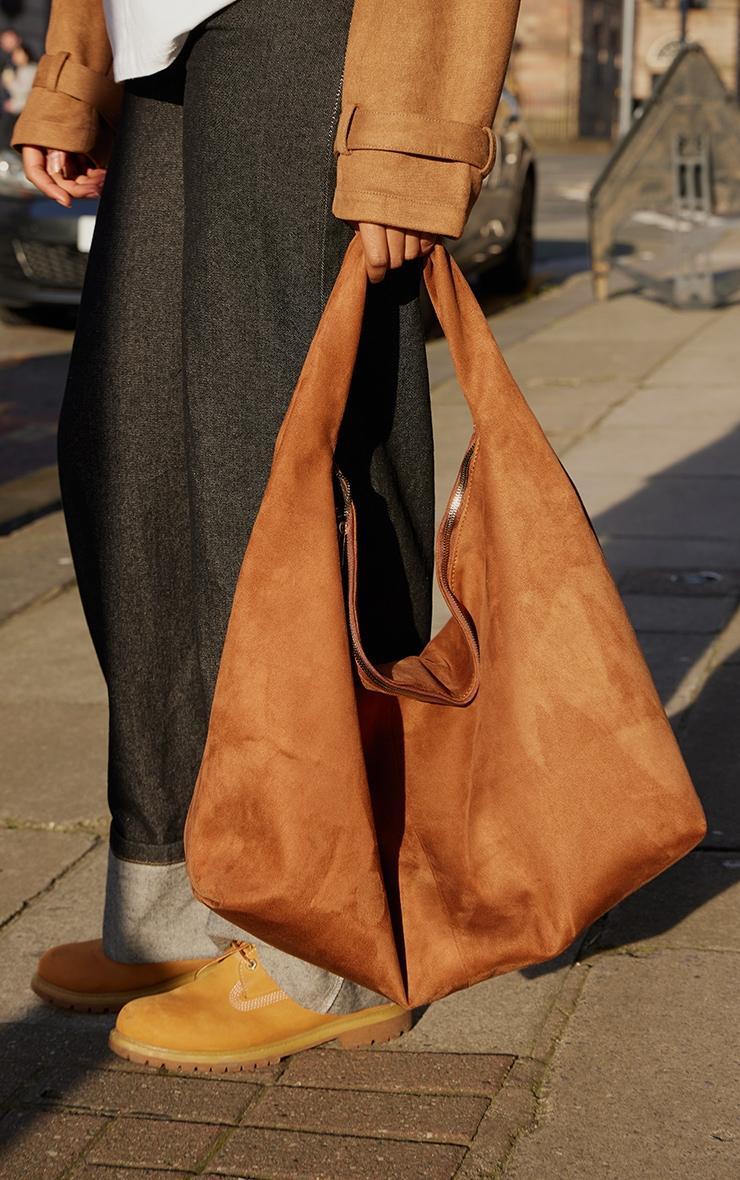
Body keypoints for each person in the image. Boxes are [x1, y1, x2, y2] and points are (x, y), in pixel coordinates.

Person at [12, 0, 520, 1072]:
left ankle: (322, 938)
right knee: (129, 452)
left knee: (277, 462)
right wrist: (78, 67)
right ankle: (176, 901)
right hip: (159, 34)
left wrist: (412, 134)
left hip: (309, 26)